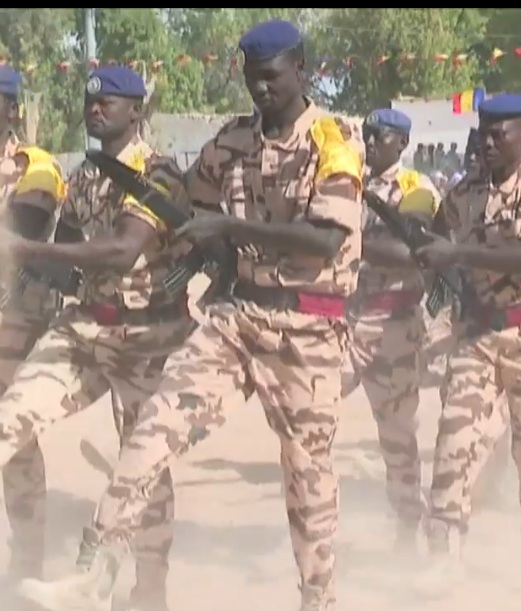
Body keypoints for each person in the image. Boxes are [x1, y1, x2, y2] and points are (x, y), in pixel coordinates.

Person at [18, 20, 364, 611]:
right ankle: (94, 571)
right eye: (252, 78)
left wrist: (230, 229)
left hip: (307, 330)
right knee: (152, 431)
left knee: (307, 485)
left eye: (272, 78)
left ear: (301, 72)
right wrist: (200, 251)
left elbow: (326, 238)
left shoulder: (333, 141)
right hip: (238, 319)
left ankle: (319, 598)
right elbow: (187, 205)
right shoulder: (229, 144)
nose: (261, 90)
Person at [0, 65, 194, 611]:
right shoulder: (85, 175)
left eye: (108, 101)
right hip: (85, 327)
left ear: (137, 111)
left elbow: (119, 250)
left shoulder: (158, 172)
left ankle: (148, 593)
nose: (95, 108)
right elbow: (68, 255)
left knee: (144, 470)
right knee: (10, 417)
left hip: (145, 338)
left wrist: (23, 250)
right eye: (90, 101)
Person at [412, 93, 521, 592]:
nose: (488, 140)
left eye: (500, 132)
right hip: (477, 333)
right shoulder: (462, 194)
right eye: (483, 130)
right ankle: (443, 555)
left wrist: (454, 251)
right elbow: (433, 248)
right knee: (453, 441)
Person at [344, 108, 440, 552]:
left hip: (393, 326)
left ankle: (407, 525)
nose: (368, 141)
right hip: (343, 320)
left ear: (400, 142)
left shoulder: (416, 190)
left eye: (378, 136)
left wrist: (345, 241)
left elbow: (409, 251)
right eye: (366, 134)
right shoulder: (349, 182)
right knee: (310, 409)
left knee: (397, 435)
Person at [0, 66, 66, 610]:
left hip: (13, 323)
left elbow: (24, 228)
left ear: (10, 109)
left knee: (15, 442)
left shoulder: (35, 166)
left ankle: (25, 570)